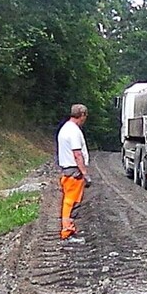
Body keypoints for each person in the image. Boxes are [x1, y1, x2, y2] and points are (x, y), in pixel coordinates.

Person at [56, 103, 92, 240]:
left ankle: (69, 229)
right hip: (74, 173)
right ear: (82, 115)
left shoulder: (66, 128)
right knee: (71, 203)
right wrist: (85, 174)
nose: (85, 119)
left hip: (68, 171)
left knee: (69, 202)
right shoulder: (74, 131)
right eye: (85, 116)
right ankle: (67, 232)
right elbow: (77, 154)